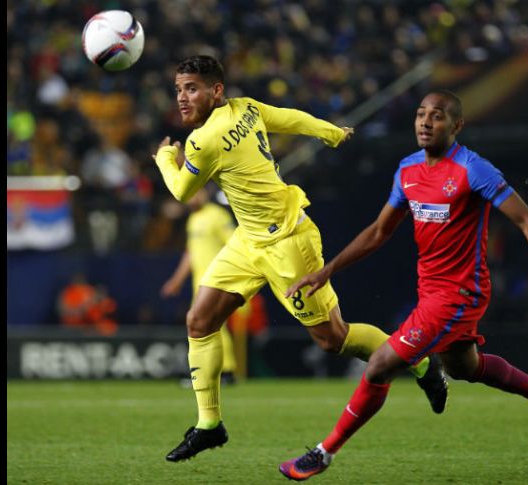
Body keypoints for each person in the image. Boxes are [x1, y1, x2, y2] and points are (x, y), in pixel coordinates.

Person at [151, 55, 448, 463]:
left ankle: (422, 365)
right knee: (199, 320)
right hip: (248, 240)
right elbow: (288, 118)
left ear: (216, 91)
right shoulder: (247, 108)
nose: (182, 98)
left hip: (288, 242)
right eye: (179, 90)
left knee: (334, 339)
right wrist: (328, 131)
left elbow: (182, 190)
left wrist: (166, 159)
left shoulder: (205, 140)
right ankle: (209, 425)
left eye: (192, 89)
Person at [279, 90, 528, 481]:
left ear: (456, 126)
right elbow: (378, 231)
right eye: (420, 114)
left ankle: (324, 452)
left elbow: (526, 220)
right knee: (466, 368)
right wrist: (328, 270)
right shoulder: (407, 170)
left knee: (379, 366)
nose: (425, 122)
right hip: (431, 290)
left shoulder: (474, 169)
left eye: (436, 116)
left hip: (460, 294)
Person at [160, 186, 239, 385]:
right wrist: (176, 280)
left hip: (218, 280)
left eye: (197, 192)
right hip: (200, 283)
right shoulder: (193, 220)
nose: (193, 197)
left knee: (210, 325)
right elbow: (190, 254)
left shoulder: (218, 216)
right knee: (208, 325)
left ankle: (219, 371)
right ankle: (220, 371)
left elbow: (236, 245)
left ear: (205, 193)